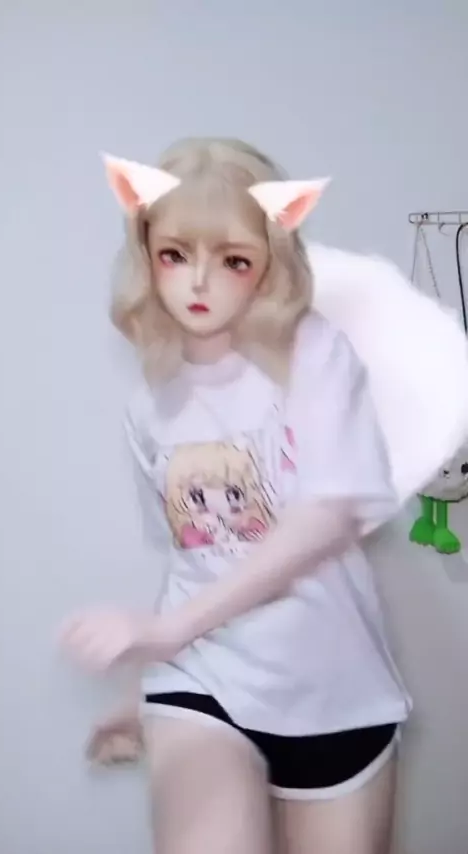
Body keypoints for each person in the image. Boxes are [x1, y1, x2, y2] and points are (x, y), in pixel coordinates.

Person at [60, 137, 464, 854]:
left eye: (233, 259)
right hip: (203, 685)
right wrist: (146, 683)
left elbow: (326, 518)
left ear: (269, 262)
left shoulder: (313, 352)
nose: (199, 281)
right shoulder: (152, 404)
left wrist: (164, 634)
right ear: (146, 253)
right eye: (175, 254)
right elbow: (197, 561)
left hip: (337, 695)